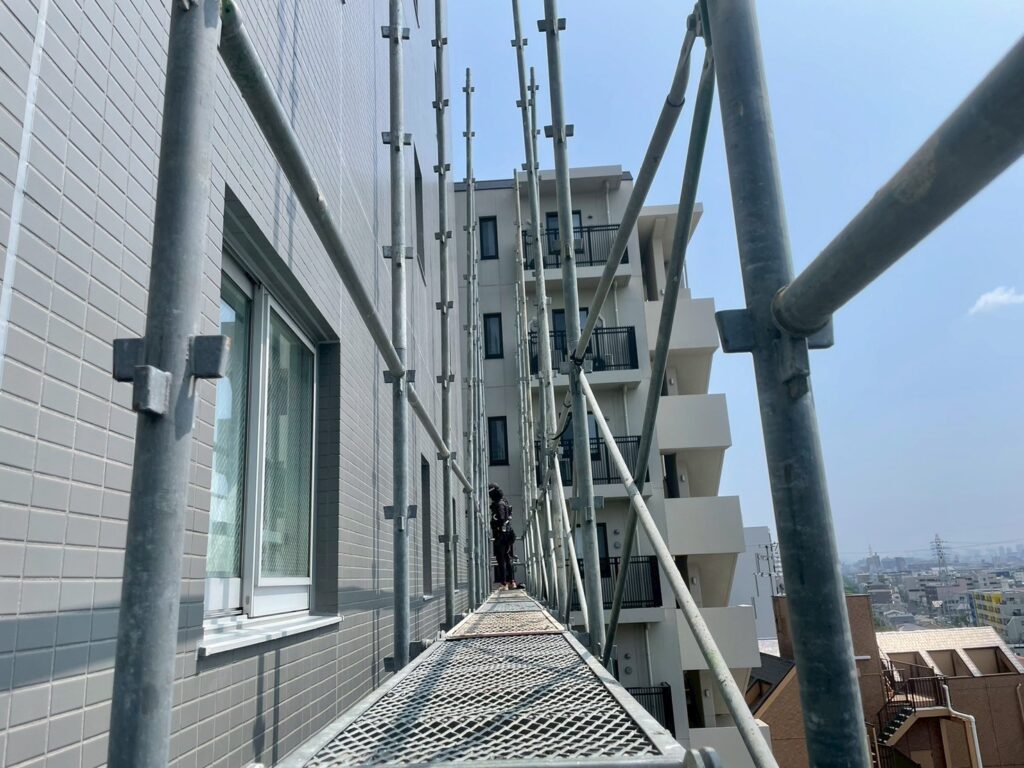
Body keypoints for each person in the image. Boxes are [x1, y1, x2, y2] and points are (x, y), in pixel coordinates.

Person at [488, 484, 516, 589]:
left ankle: (504, 583)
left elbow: (501, 519)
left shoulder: (499, 504)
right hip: (507, 534)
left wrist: (493, 521)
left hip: (502, 535)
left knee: (501, 559)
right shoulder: (504, 502)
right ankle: (511, 582)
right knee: (507, 558)